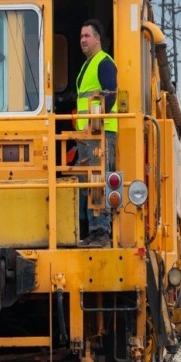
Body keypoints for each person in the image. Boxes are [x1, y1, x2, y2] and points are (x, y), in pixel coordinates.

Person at [74, 18, 117, 247]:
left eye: (87, 36)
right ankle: (93, 230)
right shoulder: (86, 66)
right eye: (81, 37)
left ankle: (101, 231)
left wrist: (95, 124)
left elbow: (110, 94)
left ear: (98, 39)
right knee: (89, 182)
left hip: (100, 132)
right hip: (87, 134)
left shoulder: (104, 62)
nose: (83, 40)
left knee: (97, 179)